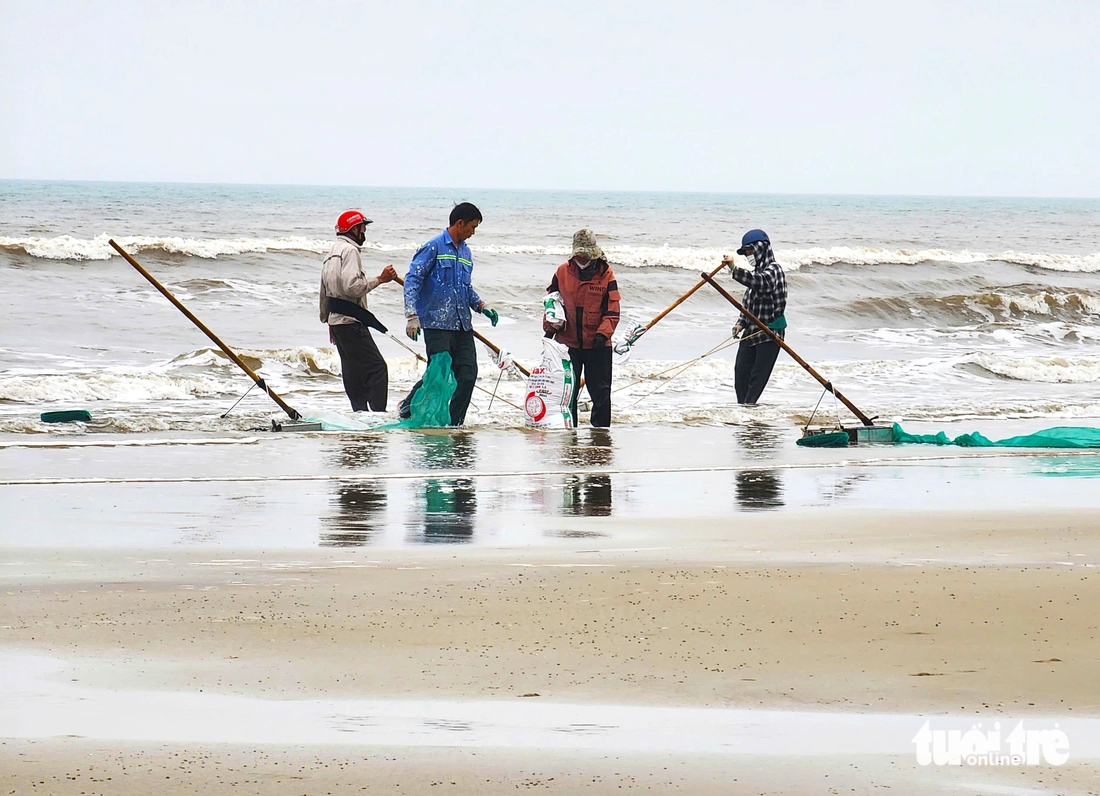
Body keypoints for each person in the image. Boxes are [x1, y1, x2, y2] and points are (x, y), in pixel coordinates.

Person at [402, 203, 498, 426]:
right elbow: (412, 279)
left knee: (467, 374)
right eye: (472, 227)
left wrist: (482, 306)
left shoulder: (466, 252)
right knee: (439, 373)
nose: (473, 232)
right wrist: (411, 316)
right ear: (459, 223)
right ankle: (407, 408)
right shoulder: (433, 247)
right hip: (436, 323)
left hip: (462, 324)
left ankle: (455, 423)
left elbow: (465, 288)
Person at [319, 210, 399, 411]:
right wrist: (380, 279)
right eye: (363, 227)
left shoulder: (331, 253)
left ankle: (360, 413)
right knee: (377, 368)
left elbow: (324, 291)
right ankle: (378, 414)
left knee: (352, 370)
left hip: (337, 322)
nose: (364, 231)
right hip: (351, 322)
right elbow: (352, 287)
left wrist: (328, 319)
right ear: (353, 229)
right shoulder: (350, 251)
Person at [543, 229, 620, 427]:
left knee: (601, 394)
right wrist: (549, 330)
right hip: (567, 345)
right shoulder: (562, 272)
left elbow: (612, 311)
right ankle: (570, 435)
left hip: (598, 346)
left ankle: (601, 438)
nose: (582, 258)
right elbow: (552, 303)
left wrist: (603, 335)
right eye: (579, 254)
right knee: (568, 394)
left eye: (585, 255)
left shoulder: (607, 275)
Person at [722, 229, 787, 405]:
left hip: (769, 332)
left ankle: (749, 410)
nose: (749, 255)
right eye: (747, 253)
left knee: (757, 377)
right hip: (751, 332)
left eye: (751, 251)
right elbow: (748, 304)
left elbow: (761, 283)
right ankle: (743, 408)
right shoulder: (756, 274)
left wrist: (734, 269)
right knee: (741, 371)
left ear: (762, 248)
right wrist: (740, 323)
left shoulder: (774, 270)